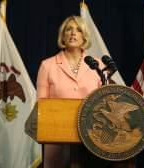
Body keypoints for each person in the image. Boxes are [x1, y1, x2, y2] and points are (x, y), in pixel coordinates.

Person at [36, 15, 103, 168]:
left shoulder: (97, 66)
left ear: (84, 36)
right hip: (56, 139)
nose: (73, 33)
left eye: (78, 30)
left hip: (90, 138)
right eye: (69, 30)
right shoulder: (47, 65)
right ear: (63, 36)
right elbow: (40, 106)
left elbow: (103, 103)